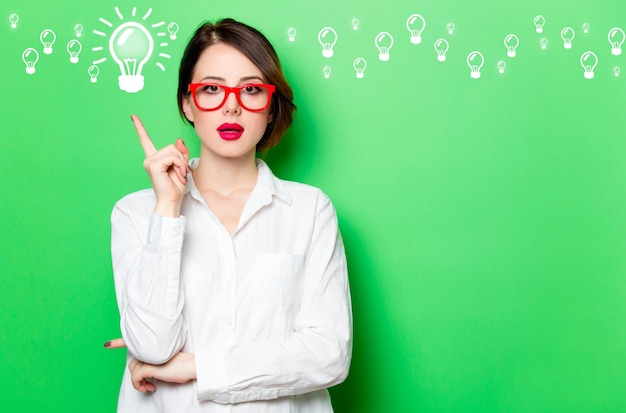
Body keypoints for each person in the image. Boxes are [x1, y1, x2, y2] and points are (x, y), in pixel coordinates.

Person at [105, 18, 352, 412]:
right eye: (211, 89)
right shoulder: (137, 213)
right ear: (187, 103)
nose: (232, 105)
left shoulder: (309, 211)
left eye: (251, 89)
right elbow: (152, 344)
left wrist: (196, 366)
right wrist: (167, 208)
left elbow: (329, 354)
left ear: (270, 107)